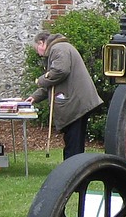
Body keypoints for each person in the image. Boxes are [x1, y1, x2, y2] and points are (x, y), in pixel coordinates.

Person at [25, 31, 103, 160]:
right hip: (78, 102)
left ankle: (74, 173)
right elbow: (55, 81)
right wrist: (35, 97)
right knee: (72, 142)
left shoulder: (58, 49)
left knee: (74, 145)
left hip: (77, 104)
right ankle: (73, 171)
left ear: (41, 43)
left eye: (36, 49)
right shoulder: (59, 48)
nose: (38, 53)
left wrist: (40, 80)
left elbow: (60, 71)